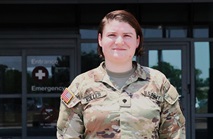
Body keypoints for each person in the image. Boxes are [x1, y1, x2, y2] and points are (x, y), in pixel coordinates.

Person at [56, 9, 186, 139]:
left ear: (137, 41)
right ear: (100, 39)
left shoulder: (158, 82)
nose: (119, 41)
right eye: (112, 35)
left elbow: (174, 135)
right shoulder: (81, 85)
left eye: (127, 35)